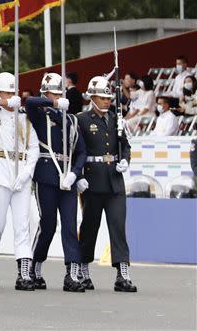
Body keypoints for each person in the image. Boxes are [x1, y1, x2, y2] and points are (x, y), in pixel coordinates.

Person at [0, 72, 40, 291]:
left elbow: (34, 149)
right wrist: (2, 102)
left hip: (21, 174)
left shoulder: (24, 117)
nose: (12, 96)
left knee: (23, 226)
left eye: (14, 92)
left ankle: (24, 273)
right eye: (6, 92)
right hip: (0, 173)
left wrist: (26, 173)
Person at [25, 73, 87, 293]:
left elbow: (81, 151)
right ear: (46, 93)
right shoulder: (40, 115)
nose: (58, 96)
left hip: (66, 178)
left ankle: (71, 274)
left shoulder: (71, 120)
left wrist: (76, 173)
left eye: (60, 93)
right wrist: (52, 103)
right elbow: (29, 101)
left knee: (70, 225)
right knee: (48, 224)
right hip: (46, 176)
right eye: (53, 93)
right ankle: (35, 266)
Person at [76, 76, 136, 293]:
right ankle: (83, 270)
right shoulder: (81, 119)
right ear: (92, 97)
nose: (107, 101)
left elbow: (125, 146)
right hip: (92, 181)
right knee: (90, 227)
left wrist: (124, 160)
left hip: (115, 182)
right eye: (102, 97)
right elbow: (76, 150)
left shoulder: (115, 119)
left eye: (109, 97)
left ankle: (123, 274)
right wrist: (78, 175)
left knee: (118, 228)